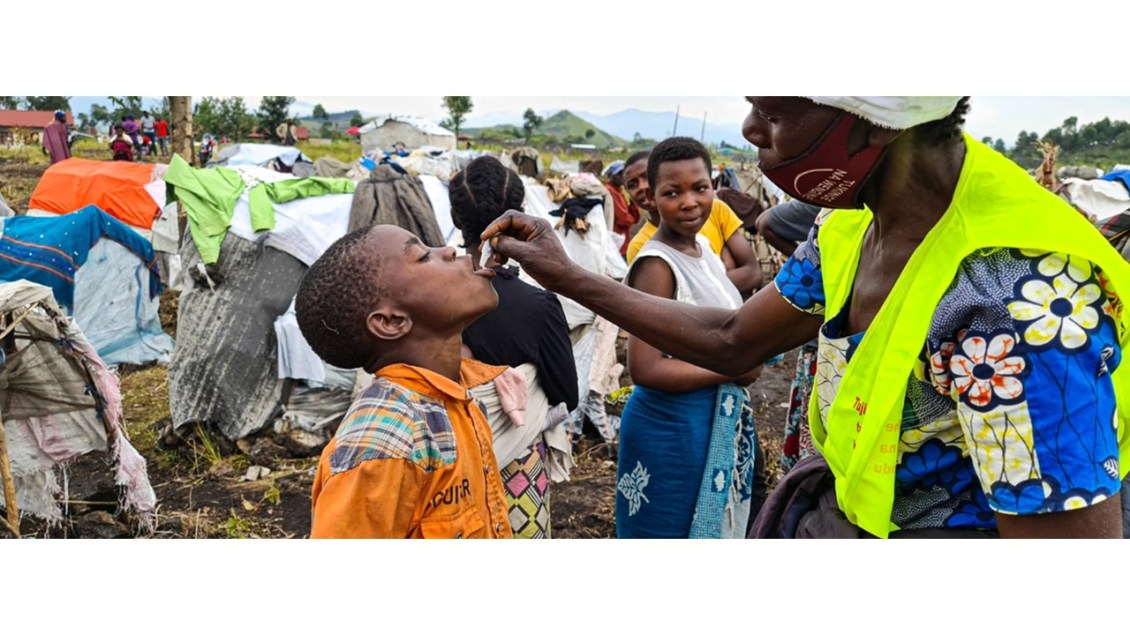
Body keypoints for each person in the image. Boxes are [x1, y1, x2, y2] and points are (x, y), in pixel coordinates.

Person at [482, 96, 1130, 539]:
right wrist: (565, 273)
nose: (750, 129)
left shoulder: (1014, 299)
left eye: (773, 113)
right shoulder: (848, 224)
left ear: (875, 121)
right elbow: (734, 339)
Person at [299, 223, 512, 538]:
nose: (448, 250)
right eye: (423, 256)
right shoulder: (382, 445)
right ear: (391, 321)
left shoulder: (456, 399)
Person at [616, 137, 760, 538]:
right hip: (670, 427)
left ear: (714, 186)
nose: (689, 202)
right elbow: (645, 368)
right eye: (672, 193)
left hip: (706, 420)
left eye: (700, 188)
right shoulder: (656, 265)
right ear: (652, 197)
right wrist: (732, 367)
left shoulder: (704, 251)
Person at [449, 156, 579, 538]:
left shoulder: (427, 298)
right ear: (519, 215)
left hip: (441, 477)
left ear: (455, 217)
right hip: (516, 474)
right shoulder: (539, 306)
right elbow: (566, 396)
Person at [623, 151, 763, 296]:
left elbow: (752, 274)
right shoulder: (642, 248)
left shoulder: (714, 212)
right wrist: (724, 266)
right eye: (632, 185)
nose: (641, 187)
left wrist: (692, 285)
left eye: (646, 177)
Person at [755, 199, 824, 472]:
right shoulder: (831, 210)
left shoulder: (829, 207)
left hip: (823, 351)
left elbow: (765, 223)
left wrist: (809, 259)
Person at [602, 160, 639, 258]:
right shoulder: (611, 191)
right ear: (611, 176)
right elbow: (624, 219)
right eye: (619, 174)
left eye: (623, 173)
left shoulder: (619, 191)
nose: (622, 177)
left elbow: (633, 218)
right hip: (617, 242)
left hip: (621, 240)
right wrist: (631, 218)